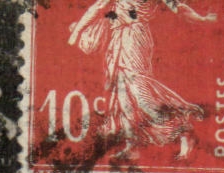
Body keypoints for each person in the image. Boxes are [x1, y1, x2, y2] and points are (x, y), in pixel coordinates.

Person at [67, 0, 216, 160]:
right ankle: (132, 144)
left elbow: (178, 7)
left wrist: (202, 19)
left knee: (140, 92)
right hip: (117, 39)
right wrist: (76, 31)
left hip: (135, 39)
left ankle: (184, 130)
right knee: (123, 96)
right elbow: (98, 7)